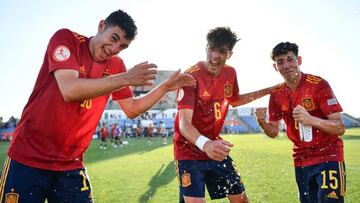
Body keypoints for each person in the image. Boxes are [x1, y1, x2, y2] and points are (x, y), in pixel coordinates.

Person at [0, 9, 195, 203]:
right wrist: (126, 78)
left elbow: (132, 109)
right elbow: (69, 90)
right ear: (101, 26)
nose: (114, 48)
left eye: (122, 46)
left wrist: (165, 87)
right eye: (114, 38)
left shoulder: (116, 66)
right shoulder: (67, 39)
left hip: (70, 164)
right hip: (28, 157)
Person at [174, 27, 277, 203]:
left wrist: (268, 90)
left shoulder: (230, 73)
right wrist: (205, 144)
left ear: (230, 53)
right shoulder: (190, 77)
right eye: (212, 49)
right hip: (189, 151)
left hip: (216, 148)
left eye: (222, 51)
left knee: (241, 200)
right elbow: (184, 124)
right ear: (206, 47)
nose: (215, 55)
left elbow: (234, 100)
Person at [255, 42, 346, 202]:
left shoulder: (318, 85)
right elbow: (273, 132)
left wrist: (311, 120)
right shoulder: (276, 94)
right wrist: (262, 122)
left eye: (290, 59)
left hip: (328, 156)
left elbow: (339, 127)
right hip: (301, 160)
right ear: (275, 67)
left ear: (299, 60)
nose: (286, 65)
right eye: (280, 61)